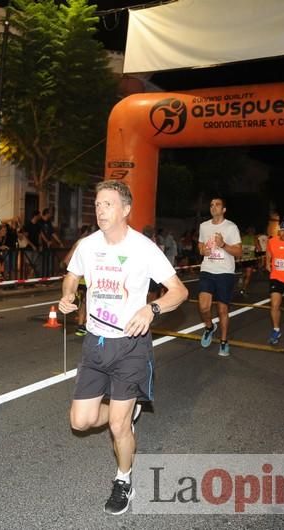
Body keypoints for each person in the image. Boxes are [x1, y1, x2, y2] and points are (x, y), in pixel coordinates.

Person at [58, 180, 188, 516]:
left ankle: (123, 479)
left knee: (118, 426)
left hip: (131, 346)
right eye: (98, 204)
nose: (100, 210)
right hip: (96, 343)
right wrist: (69, 293)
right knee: (80, 422)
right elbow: (72, 274)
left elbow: (178, 291)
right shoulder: (88, 245)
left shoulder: (144, 248)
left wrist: (152, 309)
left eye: (108, 204)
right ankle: (127, 411)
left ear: (125, 209)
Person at [197, 198, 242, 357]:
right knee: (203, 306)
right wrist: (203, 251)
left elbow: (239, 252)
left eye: (217, 205)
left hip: (225, 272)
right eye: (211, 205)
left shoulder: (231, 227)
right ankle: (209, 327)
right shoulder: (204, 226)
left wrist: (223, 244)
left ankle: (223, 342)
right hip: (207, 269)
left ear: (223, 209)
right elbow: (201, 245)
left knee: (223, 309)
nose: (213, 207)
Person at [62, 224, 92, 336]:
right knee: (86, 302)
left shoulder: (80, 243)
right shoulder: (83, 244)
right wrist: (76, 271)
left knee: (84, 303)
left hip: (81, 280)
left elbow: (66, 261)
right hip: (82, 280)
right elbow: (67, 260)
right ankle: (83, 325)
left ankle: (82, 325)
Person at [239, 226, 258, 295]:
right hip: (250, 258)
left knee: (245, 271)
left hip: (243, 258)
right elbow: (259, 248)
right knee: (248, 274)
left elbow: (239, 247)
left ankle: (241, 277)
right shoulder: (255, 238)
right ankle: (243, 289)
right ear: (253, 232)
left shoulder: (242, 238)